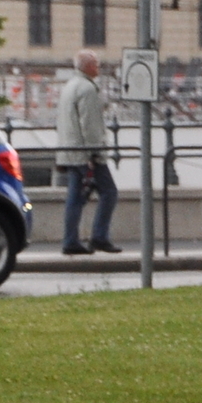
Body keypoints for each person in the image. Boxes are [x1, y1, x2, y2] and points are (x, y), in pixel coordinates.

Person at [54, 47, 119, 255]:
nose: (98, 67)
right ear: (89, 67)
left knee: (76, 198)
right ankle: (99, 237)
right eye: (97, 64)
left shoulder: (70, 86)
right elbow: (90, 126)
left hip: (70, 151)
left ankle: (71, 240)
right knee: (109, 192)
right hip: (86, 154)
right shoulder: (87, 89)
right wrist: (95, 153)